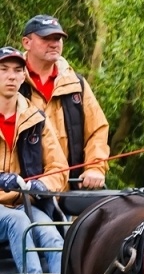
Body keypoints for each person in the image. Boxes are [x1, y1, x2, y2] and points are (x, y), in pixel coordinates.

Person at [0, 46, 67, 274]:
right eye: (3, 70)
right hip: (10, 214)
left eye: (17, 71)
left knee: (52, 236)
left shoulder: (36, 117)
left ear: (23, 76)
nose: (11, 76)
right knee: (17, 222)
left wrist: (44, 185)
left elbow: (59, 167)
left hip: (26, 203)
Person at [18, 14, 110, 192]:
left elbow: (97, 131)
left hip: (71, 192)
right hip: (22, 195)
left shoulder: (77, 84)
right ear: (26, 43)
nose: (54, 43)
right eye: (46, 38)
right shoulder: (10, 83)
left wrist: (95, 168)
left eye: (58, 38)